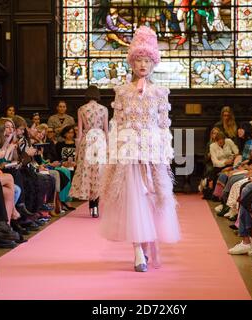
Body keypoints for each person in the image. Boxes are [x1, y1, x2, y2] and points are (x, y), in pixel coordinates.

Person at [99, 26, 180, 273]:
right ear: (132, 63)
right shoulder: (122, 92)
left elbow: (164, 125)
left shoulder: (159, 92)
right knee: (133, 202)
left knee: (153, 201)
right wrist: (115, 152)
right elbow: (117, 123)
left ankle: (145, 247)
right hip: (129, 153)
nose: (143, 65)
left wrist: (165, 154)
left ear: (153, 63)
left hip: (152, 153)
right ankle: (137, 252)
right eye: (138, 60)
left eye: (147, 60)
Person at [70, 86, 108, 218]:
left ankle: (92, 206)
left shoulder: (82, 109)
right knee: (98, 172)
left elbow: (79, 133)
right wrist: (109, 148)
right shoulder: (104, 109)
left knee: (88, 172)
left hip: (87, 140)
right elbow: (106, 130)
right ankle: (95, 206)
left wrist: (77, 150)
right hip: (100, 141)